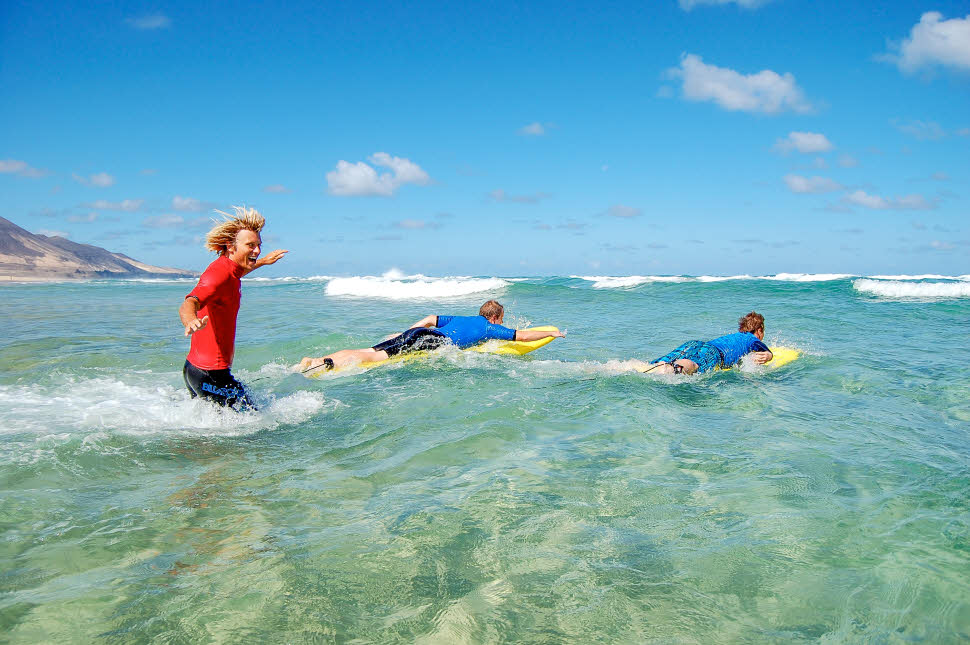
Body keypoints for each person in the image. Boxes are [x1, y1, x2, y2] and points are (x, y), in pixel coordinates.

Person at [178, 206, 288, 408]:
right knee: (256, 425)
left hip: (195, 370)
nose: (257, 250)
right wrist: (190, 320)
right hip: (210, 376)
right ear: (230, 246)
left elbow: (235, 274)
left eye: (258, 245)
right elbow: (190, 301)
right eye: (250, 245)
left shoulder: (230, 270)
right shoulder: (217, 275)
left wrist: (263, 262)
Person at [299, 299, 565, 372]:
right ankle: (327, 365)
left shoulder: (462, 318)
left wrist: (407, 332)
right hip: (431, 341)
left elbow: (429, 318)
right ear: (494, 317)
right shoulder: (488, 327)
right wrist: (553, 333)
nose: (501, 324)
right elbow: (521, 336)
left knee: (371, 351)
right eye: (502, 320)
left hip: (420, 332)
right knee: (375, 359)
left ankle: (317, 359)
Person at [634, 311, 772, 375]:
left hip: (695, 344)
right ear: (759, 330)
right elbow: (767, 353)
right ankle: (671, 370)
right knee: (694, 365)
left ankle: (625, 366)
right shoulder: (752, 338)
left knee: (655, 365)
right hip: (714, 354)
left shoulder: (736, 336)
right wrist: (768, 355)